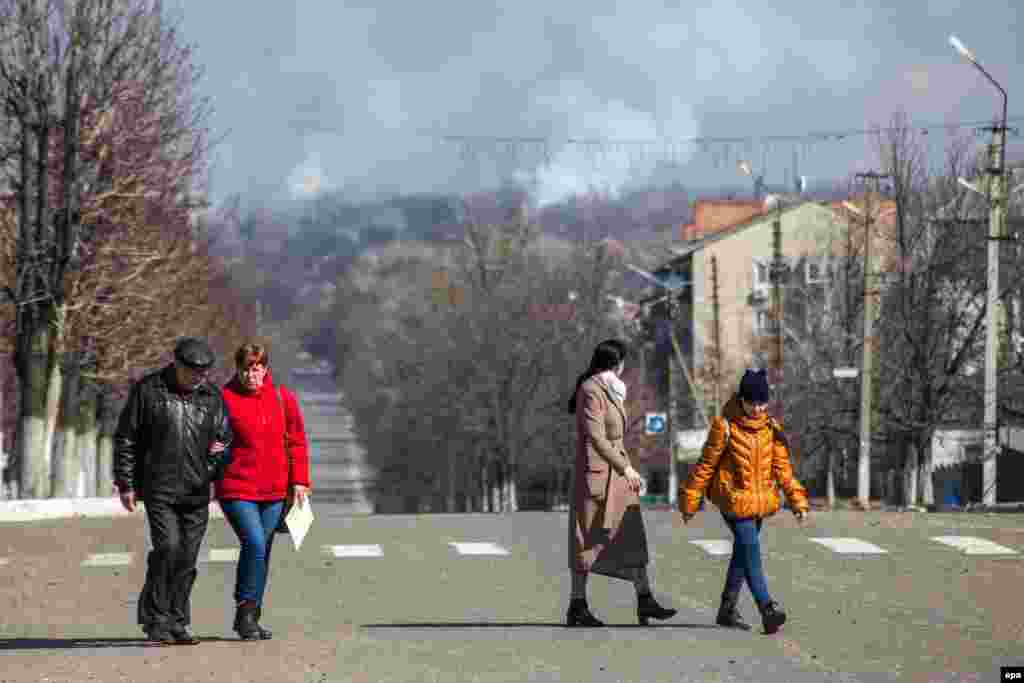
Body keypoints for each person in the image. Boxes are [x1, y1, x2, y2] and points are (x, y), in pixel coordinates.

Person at [113, 337, 233, 645]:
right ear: (177, 365)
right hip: (159, 488)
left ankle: (177, 621)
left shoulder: (211, 397)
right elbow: (127, 437)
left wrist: (209, 469)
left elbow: (223, 439)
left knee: (187, 558)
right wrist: (126, 483)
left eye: (204, 372)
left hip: (196, 491)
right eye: (194, 372)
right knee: (168, 548)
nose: (199, 378)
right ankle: (156, 619)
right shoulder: (149, 390)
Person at [679, 368, 809, 635]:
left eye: (762, 403)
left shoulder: (771, 429)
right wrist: (690, 500)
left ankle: (727, 608)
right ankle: (767, 608)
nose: (758, 409)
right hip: (733, 500)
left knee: (743, 552)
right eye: (752, 403)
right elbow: (706, 465)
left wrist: (797, 500)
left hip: (760, 502)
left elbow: (783, 469)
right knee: (750, 547)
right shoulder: (725, 426)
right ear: (741, 399)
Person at [566, 339, 677, 627]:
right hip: (597, 475)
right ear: (617, 363)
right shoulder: (590, 390)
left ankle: (645, 598)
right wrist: (626, 468)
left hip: (617, 475)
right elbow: (596, 437)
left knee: (631, 535)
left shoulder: (612, 390)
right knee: (587, 539)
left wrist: (625, 468)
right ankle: (577, 605)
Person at [213, 343, 311, 641]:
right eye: (245, 369)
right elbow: (210, 436)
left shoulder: (282, 398)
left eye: (256, 369)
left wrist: (300, 481)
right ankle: (245, 611)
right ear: (237, 369)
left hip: (274, 490)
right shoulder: (223, 399)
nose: (251, 375)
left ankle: (251, 614)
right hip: (237, 487)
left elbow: (296, 441)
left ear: (265, 369)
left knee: (262, 550)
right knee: (254, 543)